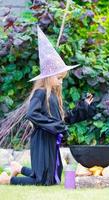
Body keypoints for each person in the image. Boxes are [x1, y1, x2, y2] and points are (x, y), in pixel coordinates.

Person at [0, 26, 95, 185]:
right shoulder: (40, 93)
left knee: (53, 177)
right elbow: (32, 114)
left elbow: (64, 119)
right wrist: (53, 126)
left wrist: (84, 106)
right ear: (49, 77)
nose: (61, 81)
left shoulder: (55, 97)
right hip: (42, 139)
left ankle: (19, 167)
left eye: (62, 78)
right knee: (43, 180)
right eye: (59, 78)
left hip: (51, 139)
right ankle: (9, 179)